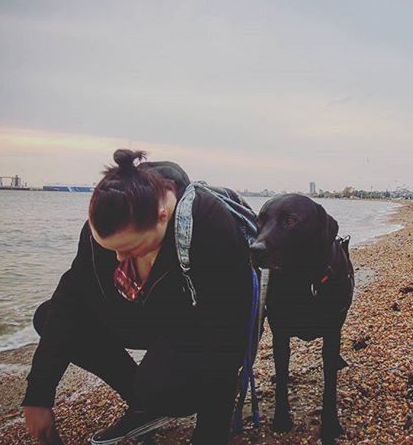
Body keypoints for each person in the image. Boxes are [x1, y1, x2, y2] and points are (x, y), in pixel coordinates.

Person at [22, 150, 253, 445]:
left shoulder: (207, 222)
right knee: (49, 315)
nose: (118, 257)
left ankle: (164, 398)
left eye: (130, 249)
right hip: (143, 314)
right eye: (110, 248)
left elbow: (230, 330)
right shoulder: (111, 219)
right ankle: (144, 405)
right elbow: (71, 297)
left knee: (160, 386)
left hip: (199, 326)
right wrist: (39, 395)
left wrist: (210, 432)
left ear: (161, 217)